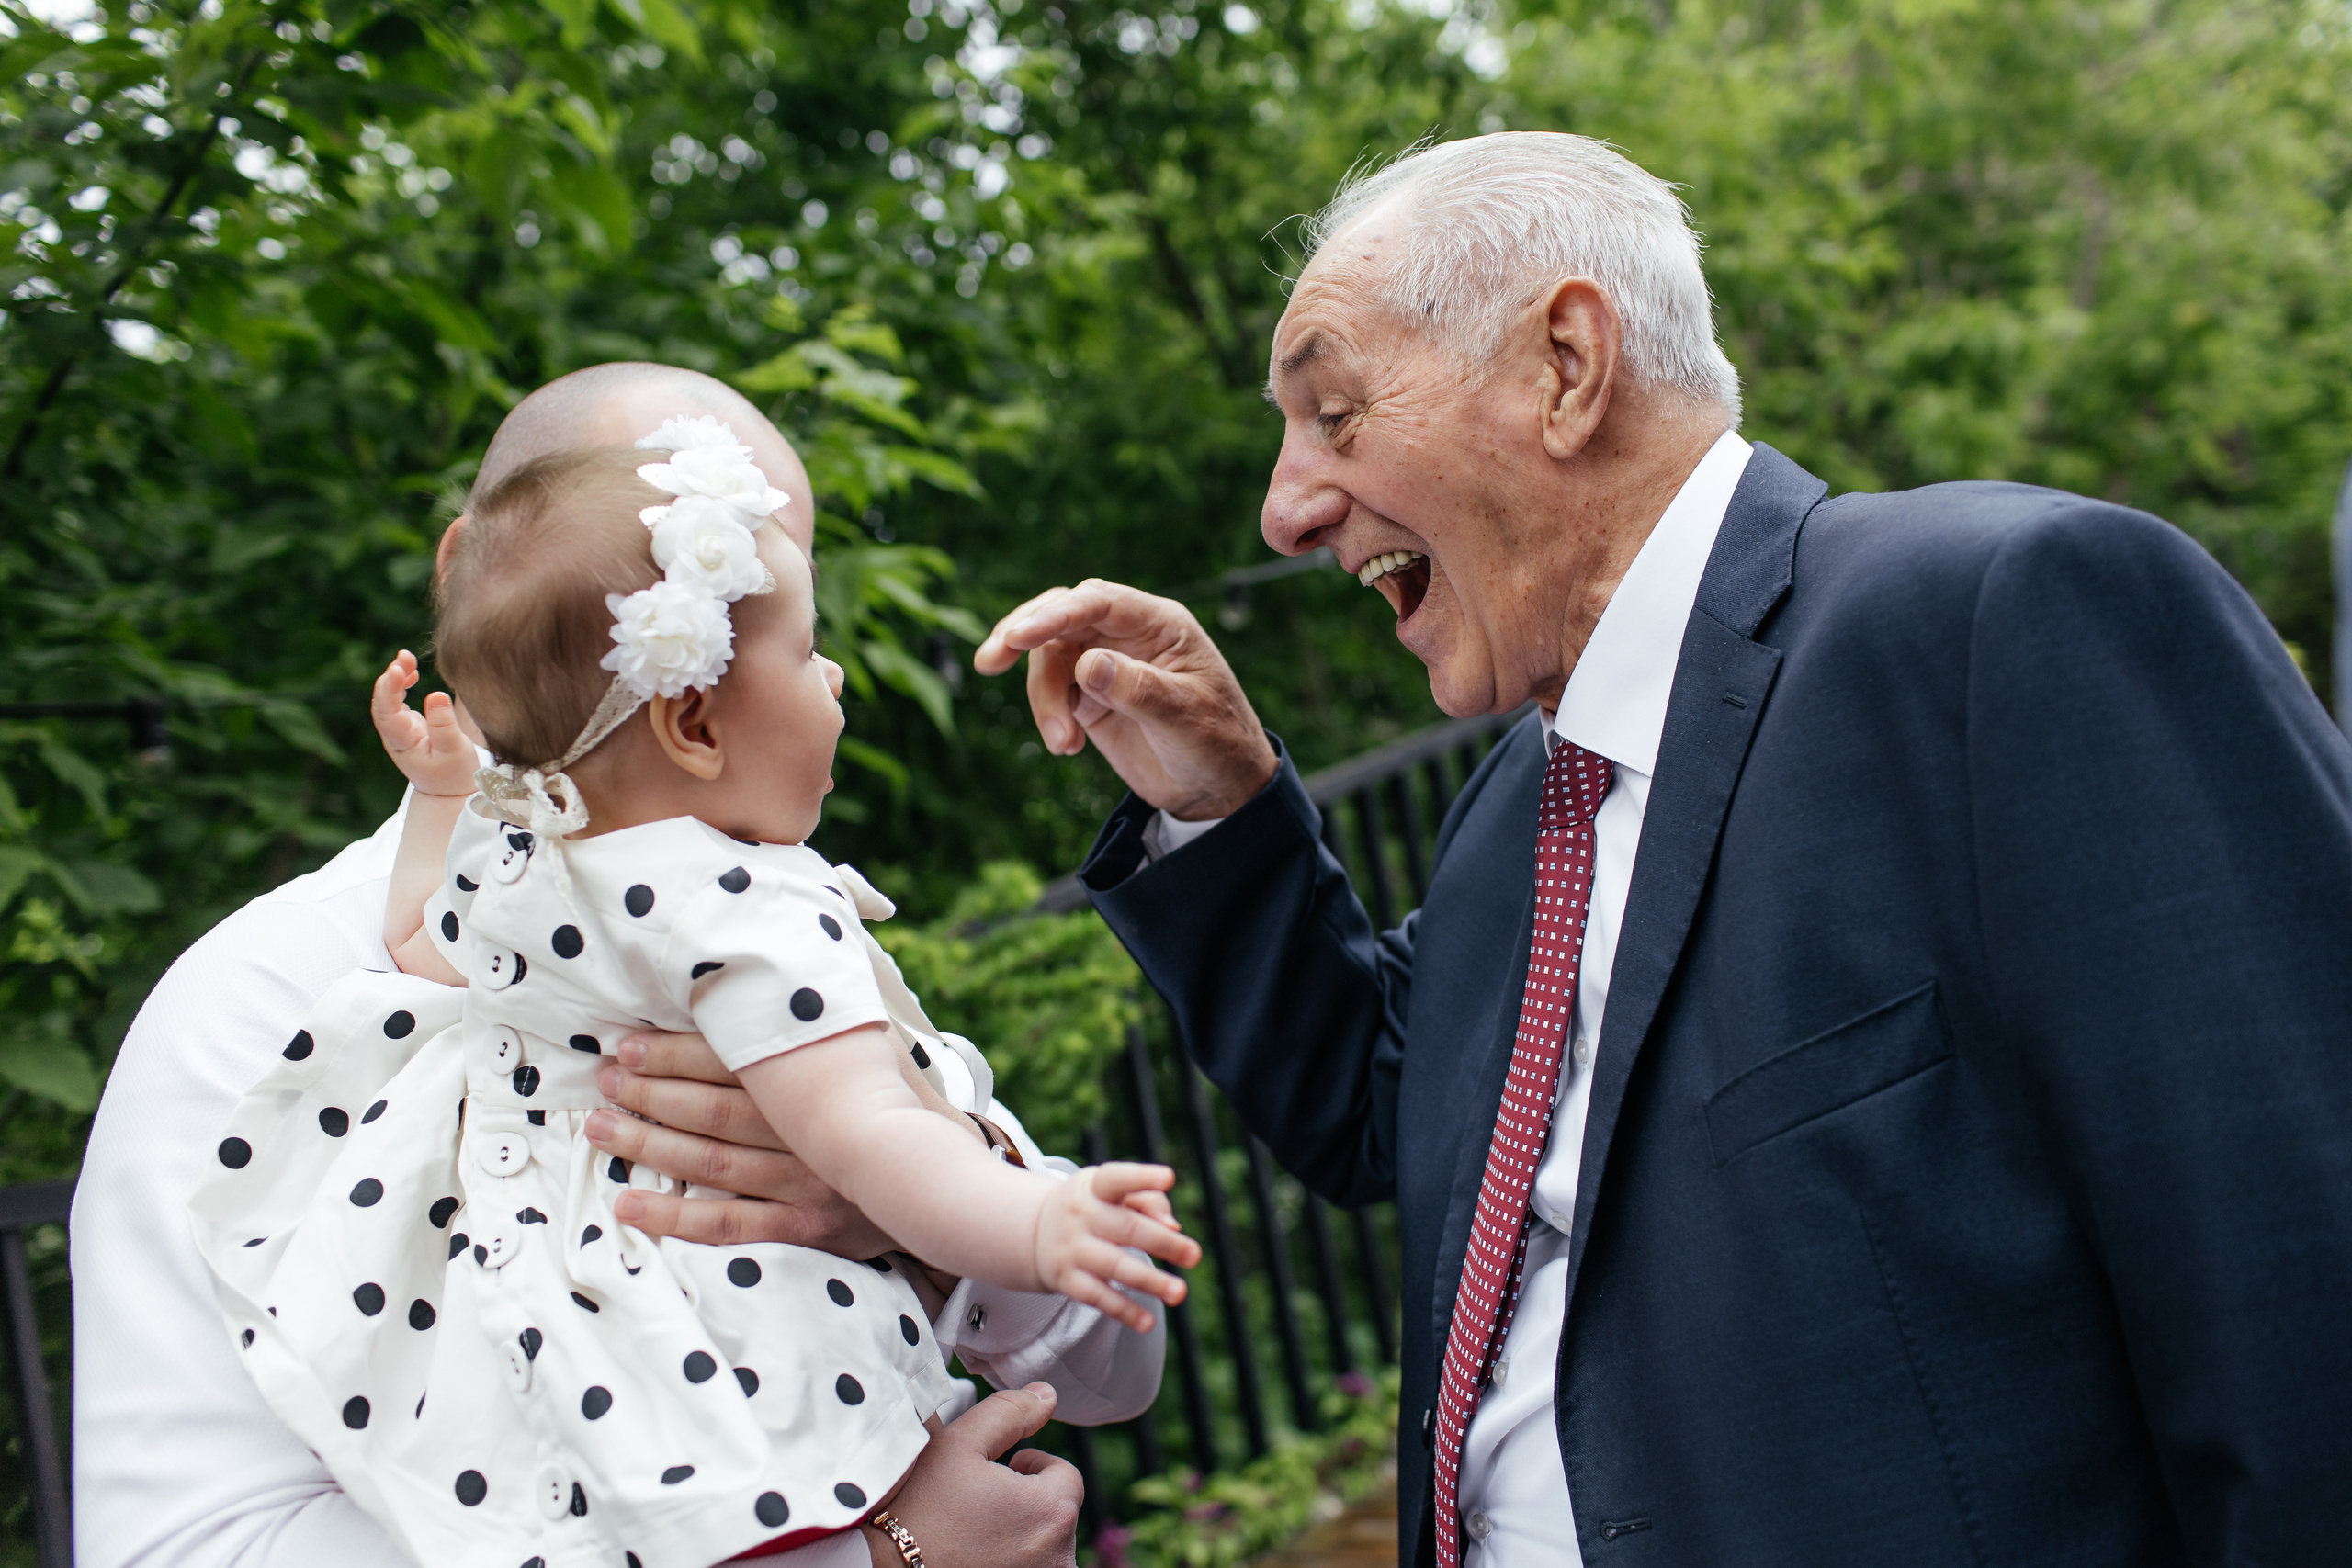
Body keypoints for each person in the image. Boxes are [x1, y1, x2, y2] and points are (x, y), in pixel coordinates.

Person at [975, 132, 2352, 1567]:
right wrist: (1224, 803)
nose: (1287, 504)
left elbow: (2299, 1287)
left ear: (1566, 365)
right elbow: (1388, 1112)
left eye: (1334, 411)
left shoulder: (2004, 620)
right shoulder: (1520, 804)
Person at [75, 365, 1162, 1568]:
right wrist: (879, 1558)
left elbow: (1114, 1361)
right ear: (469, 577)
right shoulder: (260, 1001)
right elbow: (187, 1545)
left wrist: (909, 1217)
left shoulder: (745, 913)